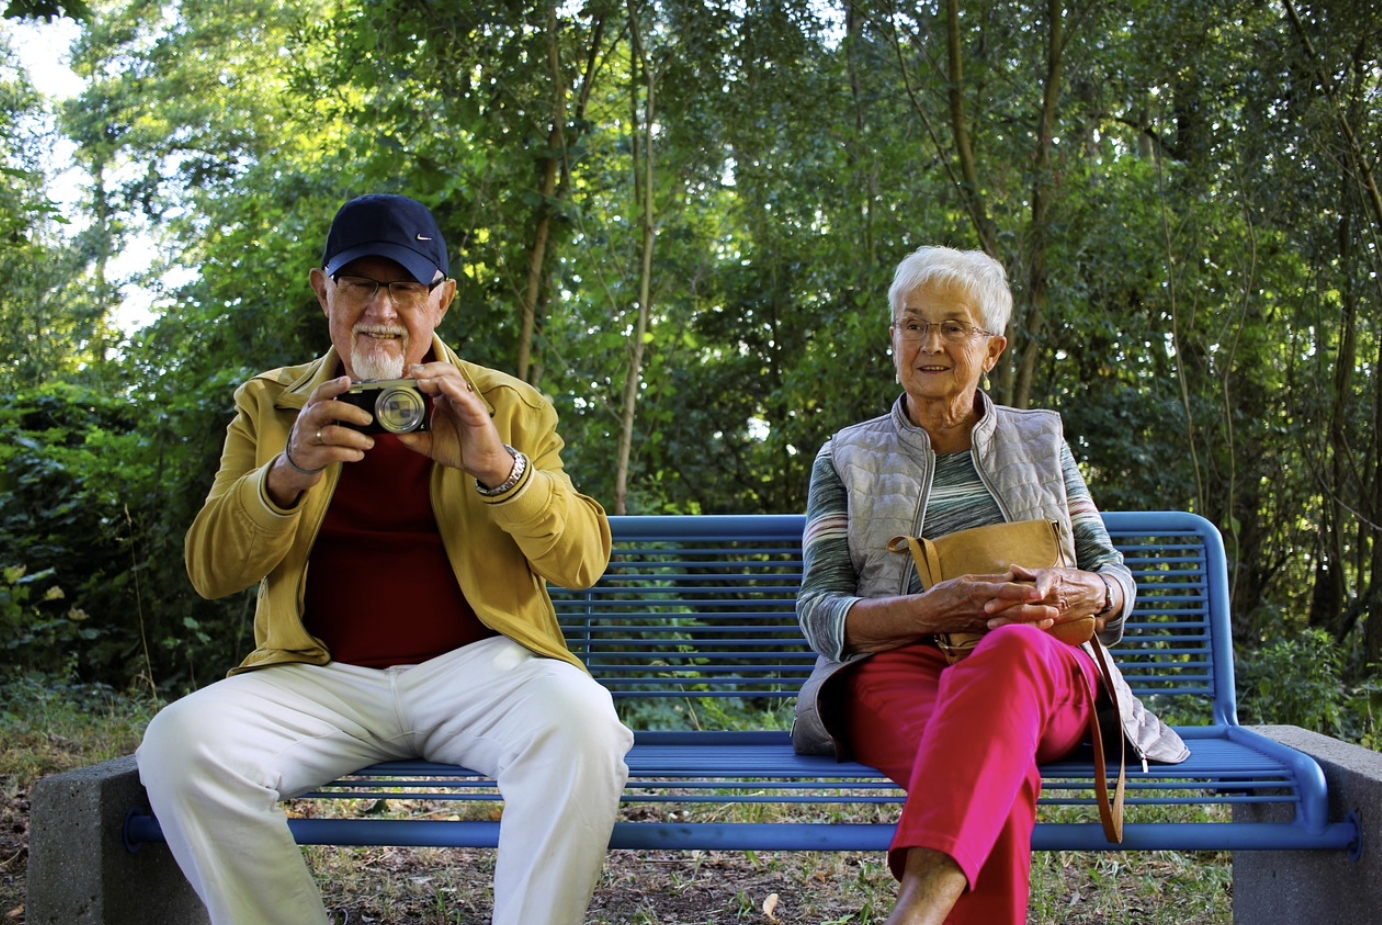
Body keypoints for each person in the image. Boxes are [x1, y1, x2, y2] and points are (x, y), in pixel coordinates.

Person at [137, 193, 634, 925]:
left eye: (403, 287)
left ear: (442, 300)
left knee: (584, 723)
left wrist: (498, 465)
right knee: (179, 744)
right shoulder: (271, 405)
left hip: (481, 671)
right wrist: (287, 472)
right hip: (320, 675)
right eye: (360, 285)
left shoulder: (506, 403)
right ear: (323, 291)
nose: (381, 310)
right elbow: (211, 569)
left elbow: (583, 560)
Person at [791, 246, 1190, 925]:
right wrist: (924, 609)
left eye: (954, 326)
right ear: (893, 337)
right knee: (987, 773)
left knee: (1008, 657)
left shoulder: (1043, 442)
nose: (930, 343)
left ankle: (913, 914)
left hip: (1041, 666)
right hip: (897, 668)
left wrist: (1079, 591)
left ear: (994, 348)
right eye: (912, 324)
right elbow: (819, 608)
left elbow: (1115, 575)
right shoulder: (846, 456)